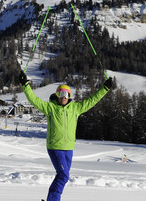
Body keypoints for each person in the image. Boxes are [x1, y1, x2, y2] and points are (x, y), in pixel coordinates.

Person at [19, 71, 114, 201]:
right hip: (55, 146)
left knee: (64, 176)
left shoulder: (76, 108)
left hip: (69, 148)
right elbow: (33, 100)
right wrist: (25, 85)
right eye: (61, 94)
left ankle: (52, 198)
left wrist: (105, 88)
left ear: (69, 96)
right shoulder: (50, 108)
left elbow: (92, 100)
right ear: (57, 95)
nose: (63, 97)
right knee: (63, 175)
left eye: (66, 94)